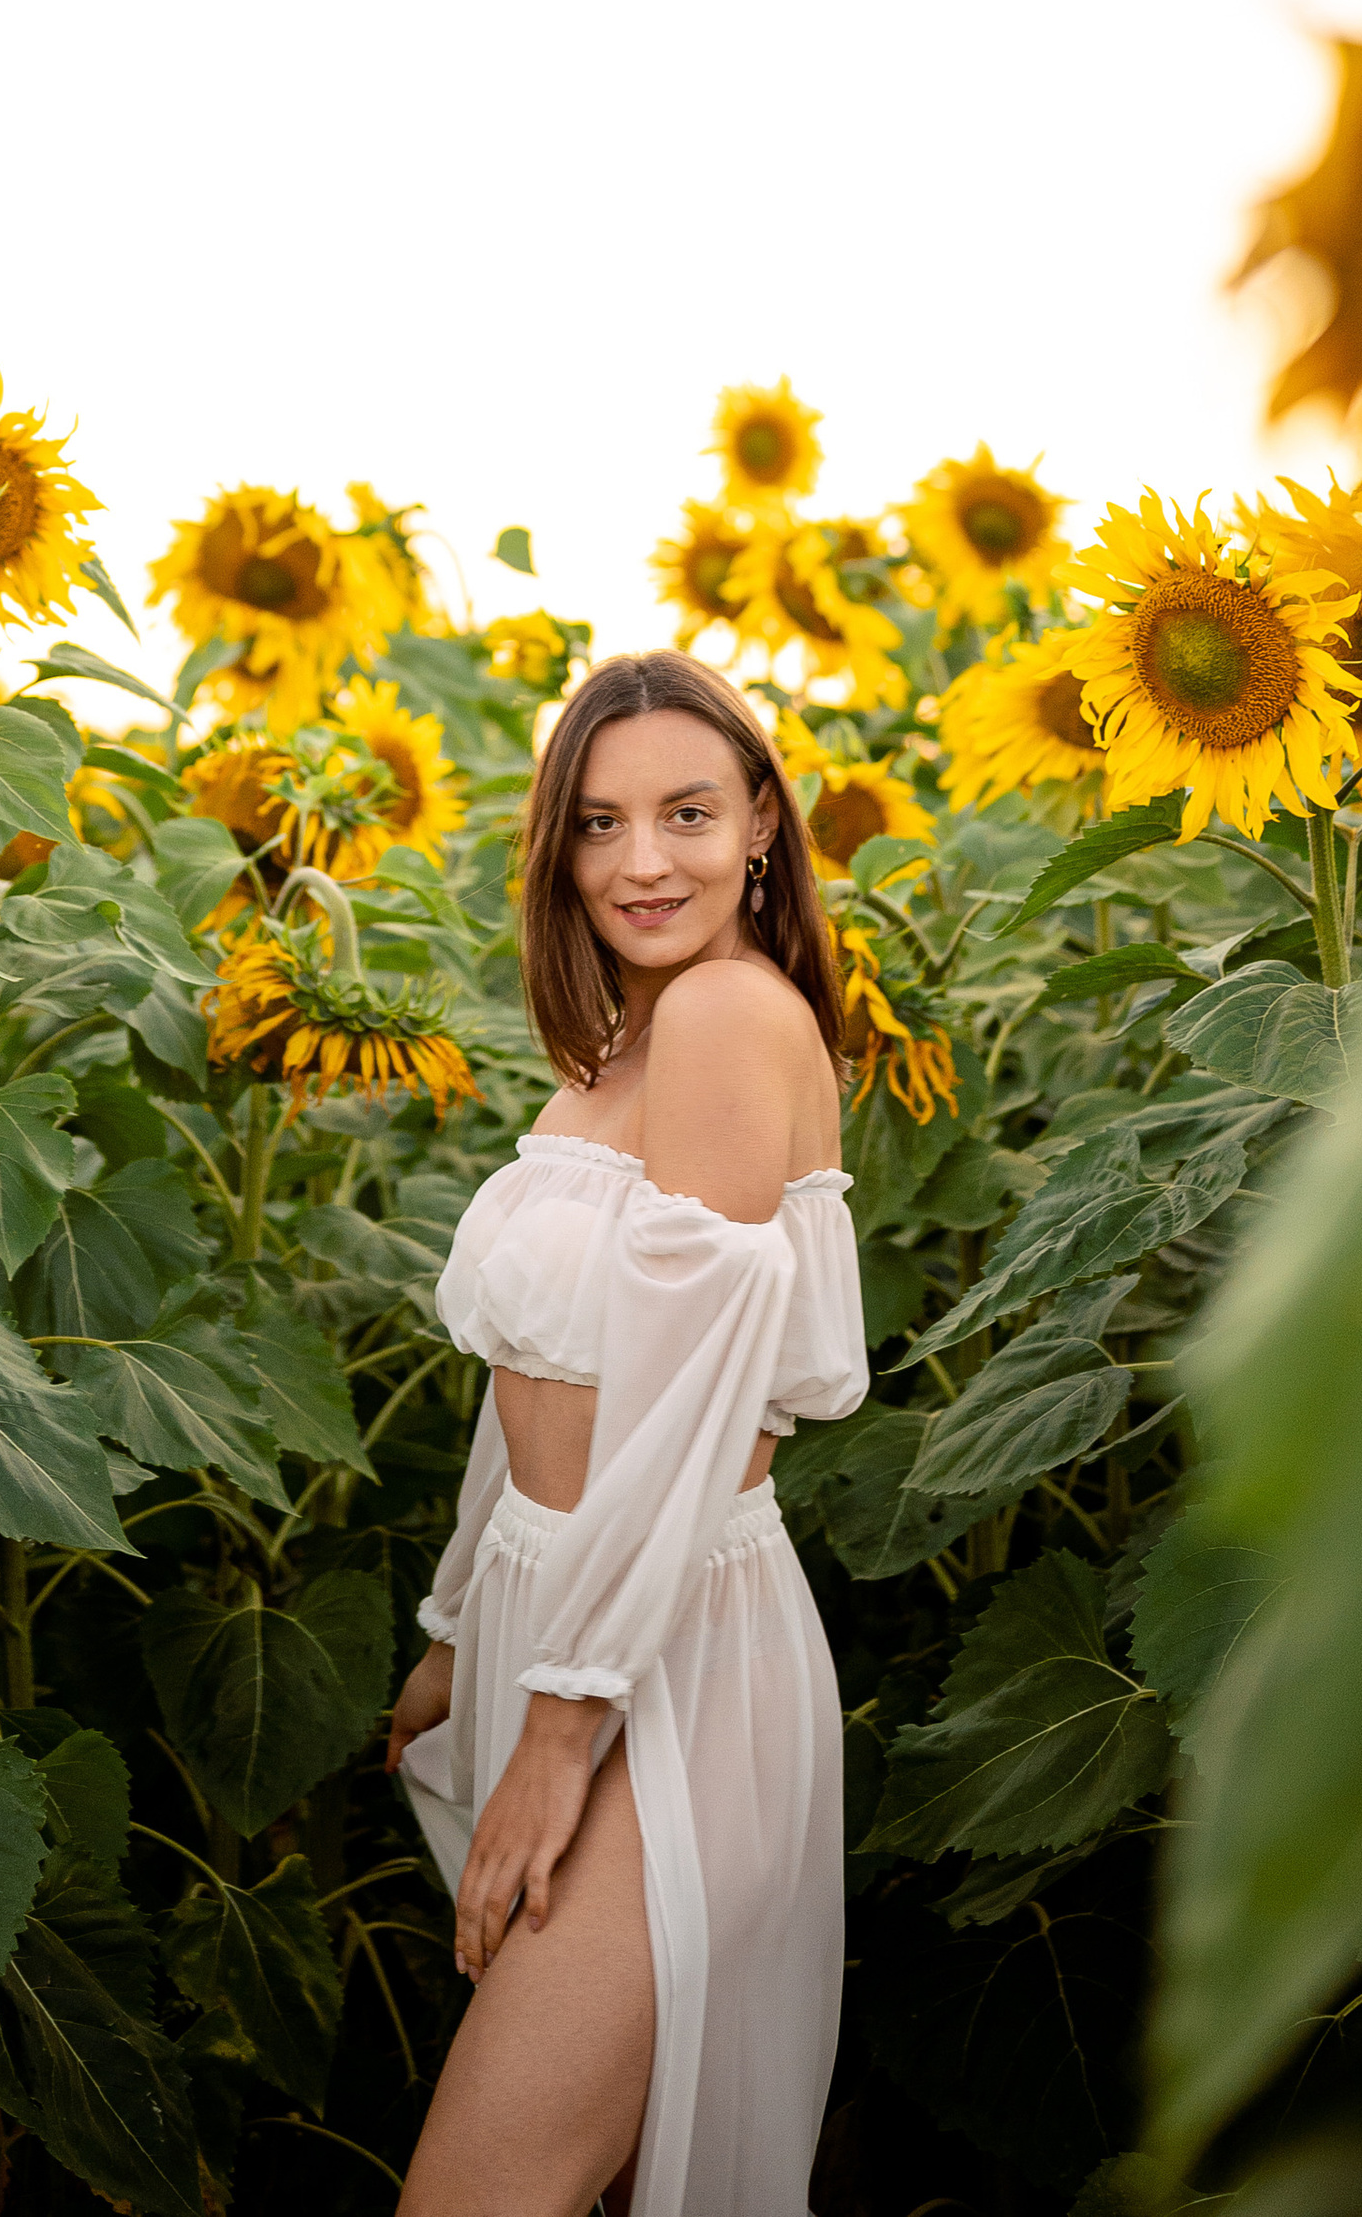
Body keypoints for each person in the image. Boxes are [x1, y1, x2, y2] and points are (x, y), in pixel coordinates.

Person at [386, 648, 867, 2217]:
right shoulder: (620, 1050)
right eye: (597, 824)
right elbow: (536, 1379)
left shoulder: (729, 1012)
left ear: (762, 829)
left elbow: (691, 1411)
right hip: (559, 1616)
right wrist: (462, 1632)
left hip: (664, 1658)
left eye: (684, 812)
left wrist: (560, 1729)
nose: (640, 860)